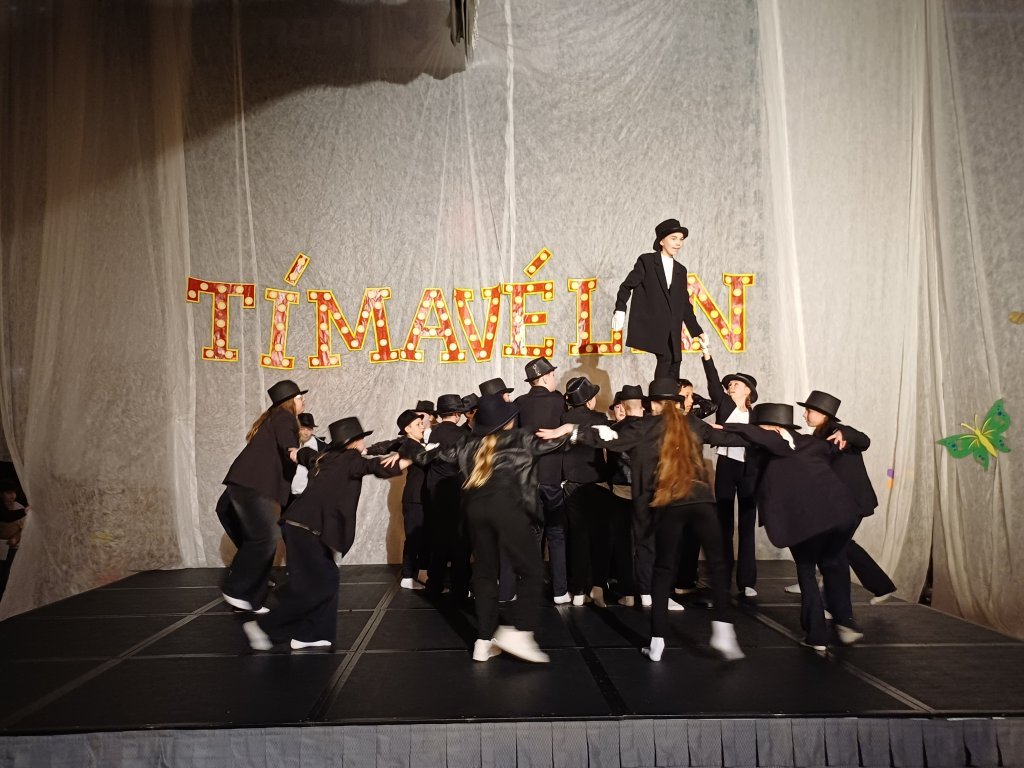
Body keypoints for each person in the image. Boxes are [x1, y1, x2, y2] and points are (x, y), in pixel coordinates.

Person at [541, 379, 746, 662]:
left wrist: (571, 430)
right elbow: (727, 437)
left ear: (654, 404)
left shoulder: (645, 426)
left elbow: (608, 439)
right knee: (718, 564)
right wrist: (772, 433)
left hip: (670, 502)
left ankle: (657, 641)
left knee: (662, 569)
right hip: (700, 499)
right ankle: (723, 630)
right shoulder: (692, 423)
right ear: (676, 403)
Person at [417, 394, 578, 663]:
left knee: (485, 573)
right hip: (507, 508)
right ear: (509, 421)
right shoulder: (520, 438)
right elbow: (560, 442)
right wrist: (573, 428)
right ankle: (521, 632)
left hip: (475, 510)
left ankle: (483, 641)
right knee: (532, 570)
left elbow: (435, 455)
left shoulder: (468, 444)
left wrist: (407, 452)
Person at [243, 418, 410, 651]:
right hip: (309, 529)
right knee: (321, 585)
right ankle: (265, 628)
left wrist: (295, 453)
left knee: (324, 580)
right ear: (354, 442)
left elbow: (305, 455)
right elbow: (376, 467)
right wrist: (410, 459)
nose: (364, 442)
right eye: (362, 438)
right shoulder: (351, 460)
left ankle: (312, 634)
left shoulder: (326, 457)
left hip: (298, 526)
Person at [722, 403, 863, 651]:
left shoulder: (776, 444)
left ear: (776, 429)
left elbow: (763, 437)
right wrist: (846, 434)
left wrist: (724, 426)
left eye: (762, 428)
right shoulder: (812, 444)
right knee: (832, 564)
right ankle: (844, 621)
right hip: (840, 516)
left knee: (808, 570)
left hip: (808, 522)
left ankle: (817, 635)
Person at [783, 391, 897, 604]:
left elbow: (864, 440)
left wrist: (844, 432)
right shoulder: (817, 437)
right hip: (837, 504)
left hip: (852, 503)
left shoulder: (837, 432)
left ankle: (849, 598)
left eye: (809, 411)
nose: (804, 415)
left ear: (823, 414)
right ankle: (814, 582)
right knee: (830, 544)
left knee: (837, 549)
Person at [217, 379, 305, 613]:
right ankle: (237, 590)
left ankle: (249, 597)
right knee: (265, 538)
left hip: (245, 485)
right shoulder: (285, 417)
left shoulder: (274, 418)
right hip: (253, 487)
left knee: (260, 538)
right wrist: (294, 451)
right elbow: (287, 444)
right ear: (290, 402)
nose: (303, 401)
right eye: (300, 397)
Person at [613, 218, 707, 379]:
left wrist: (697, 330)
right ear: (662, 241)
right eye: (673, 238)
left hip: (672, 328)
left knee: (676, 361)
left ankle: (670, 394)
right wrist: (620, 309)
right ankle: (660, 394)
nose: (678, 243)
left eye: (681, 239)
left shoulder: (681, 270)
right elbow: (626, 286)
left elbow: (684, 304)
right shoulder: (647, 261)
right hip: (654, 324)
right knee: (666, 358)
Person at [701, 347, 761, 597]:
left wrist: (726, 430)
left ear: (748, 391)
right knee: (724, 524)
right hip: (727, 466)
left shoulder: (757, 415)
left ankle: (747, 582)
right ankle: (722, 578)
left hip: (749, 471)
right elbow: (713, 381)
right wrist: (706, 354)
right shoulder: (725, 405)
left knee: (747, 525)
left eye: (736, 384)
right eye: (729, 385)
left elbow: (759, 441)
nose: (730, 387)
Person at [514, 357, 569, 603]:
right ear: (545, 377)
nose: (555, 379)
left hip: (526, 479)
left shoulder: (519, 403)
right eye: (553, 375)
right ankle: (560, 591)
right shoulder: (559, 401)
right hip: (552, 477)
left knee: (532, 536)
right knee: (556, 534)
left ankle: (530, 589)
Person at [560, 376, 614, 607]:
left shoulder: (563, 419)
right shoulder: (600, 419)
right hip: (597, 482)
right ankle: (598, 586)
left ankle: (578, 591)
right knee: (599, 536)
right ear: (590, 401)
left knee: (577, 537)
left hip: (571, 483)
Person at [367, 410, 431, 590]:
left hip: (421, 497)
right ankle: (407, 576)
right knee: (414, 538)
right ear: (408, 429)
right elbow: (419, 456)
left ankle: (422, 573)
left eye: (421, 423)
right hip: (414, 498)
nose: (422, 427)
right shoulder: (410, 444)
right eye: (418, 424)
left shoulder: (413, 443)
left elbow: (390, 445)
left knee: (423, 537)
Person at [423, 394, 472, 599]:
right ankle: (460, 588)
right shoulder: (462, 434)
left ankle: (433, 585)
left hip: (435, 493)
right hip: (457, 493)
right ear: (457, 414)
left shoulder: (433, 433)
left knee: (439, 541)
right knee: (460, 543)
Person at [0, 479, 27, 602]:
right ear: (1, 494)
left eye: (14, 492)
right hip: (1, 545)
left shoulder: (18, 507)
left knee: (7, 575)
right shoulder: (1, 508)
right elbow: (5, 516)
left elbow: (24, 528)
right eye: (8, 493)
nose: (12, 496)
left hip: (12, 547)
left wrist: (15, 538)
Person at [290, 412, 328, 499]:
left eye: (309, 429)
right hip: (292, 495)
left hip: (309, 495)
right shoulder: (292, 443)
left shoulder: (320, 446)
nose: (306, 432)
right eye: (302, 429)